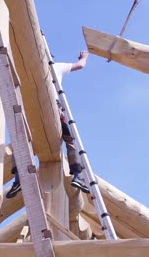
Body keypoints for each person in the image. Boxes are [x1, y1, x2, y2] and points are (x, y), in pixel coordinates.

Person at [6, 51, 90, 198]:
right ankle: (77, 175)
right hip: (54, 109)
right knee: (71, 141)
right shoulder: (56, 67)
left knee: (19, 143)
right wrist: (84, 57)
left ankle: (18, 179)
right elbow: (80, 65)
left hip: (29, 111)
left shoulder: (23, 70)